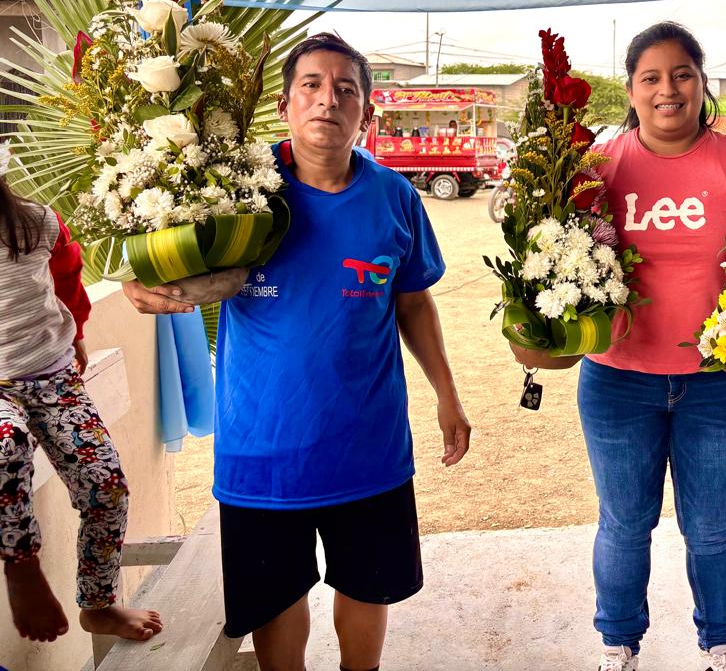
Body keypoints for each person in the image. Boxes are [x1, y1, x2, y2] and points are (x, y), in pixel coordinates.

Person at [122, 33, 471, 671]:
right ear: (284, 105)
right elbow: (159, 251)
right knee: (277, 599)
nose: (327, 100)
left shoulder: (395, 197)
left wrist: (448, 396)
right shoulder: (236, 191)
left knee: (367, 587)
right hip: (262, 452)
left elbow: (414, 302)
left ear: (366, 112)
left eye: (346, 89)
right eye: (311, 85)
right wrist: (141, 283)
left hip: (368, 448)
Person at [582, 22, 726, 671]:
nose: (667, 89)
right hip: (617, 381)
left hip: (718, 385)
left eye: (682, 74)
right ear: (631, 90)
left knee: (713, 528)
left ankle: (717, 644)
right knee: (623, 524)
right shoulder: (599, 168)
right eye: (651, 77)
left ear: (701, 82)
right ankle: (619, 645)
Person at [0, 146, 163, 645]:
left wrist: (78, 335)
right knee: (6, 444)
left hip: (53, 377)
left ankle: (98, 604)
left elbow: (68, 279)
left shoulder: (35, 223)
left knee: (106, 488)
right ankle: (21, 566)